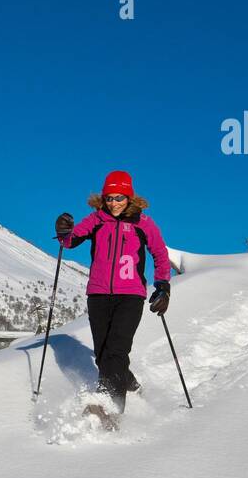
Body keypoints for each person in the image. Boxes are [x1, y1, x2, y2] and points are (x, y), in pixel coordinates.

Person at [55, 170, 171, 415]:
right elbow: (70, 241)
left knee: (116, 351)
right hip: (98, 295)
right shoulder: (96, 220)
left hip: (130, 296)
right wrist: (64, 232)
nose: (114, 203)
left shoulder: (144, 224)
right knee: (102, 355)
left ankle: (110, 408)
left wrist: (163, 286)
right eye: (109, 198)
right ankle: (129, 382)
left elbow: (160, 254)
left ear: (129, 197)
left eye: (119, 197)